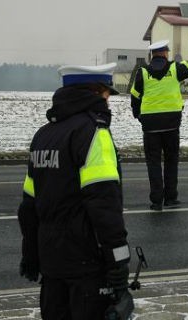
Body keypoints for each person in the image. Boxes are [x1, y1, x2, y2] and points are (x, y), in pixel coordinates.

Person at [17, 63, 134, 319]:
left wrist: (31, 253)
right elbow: (104, 204)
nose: (109, 102)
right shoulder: (94, 132)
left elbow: (28, 206)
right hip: (86, 264)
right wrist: (118, 261)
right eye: (106, 95)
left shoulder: (43, 136)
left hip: (51, 262)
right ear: (94, 92)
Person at [131, 39, 188, 211]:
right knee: (171, 161)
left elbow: (134, 96)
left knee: (153, 163)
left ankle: (156, 201)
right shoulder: (175, 68)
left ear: (153, 55)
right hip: (171, 124)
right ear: (165, 53)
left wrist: (138, 115)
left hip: (150, 126)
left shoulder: (143, 72)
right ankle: (170, 198)